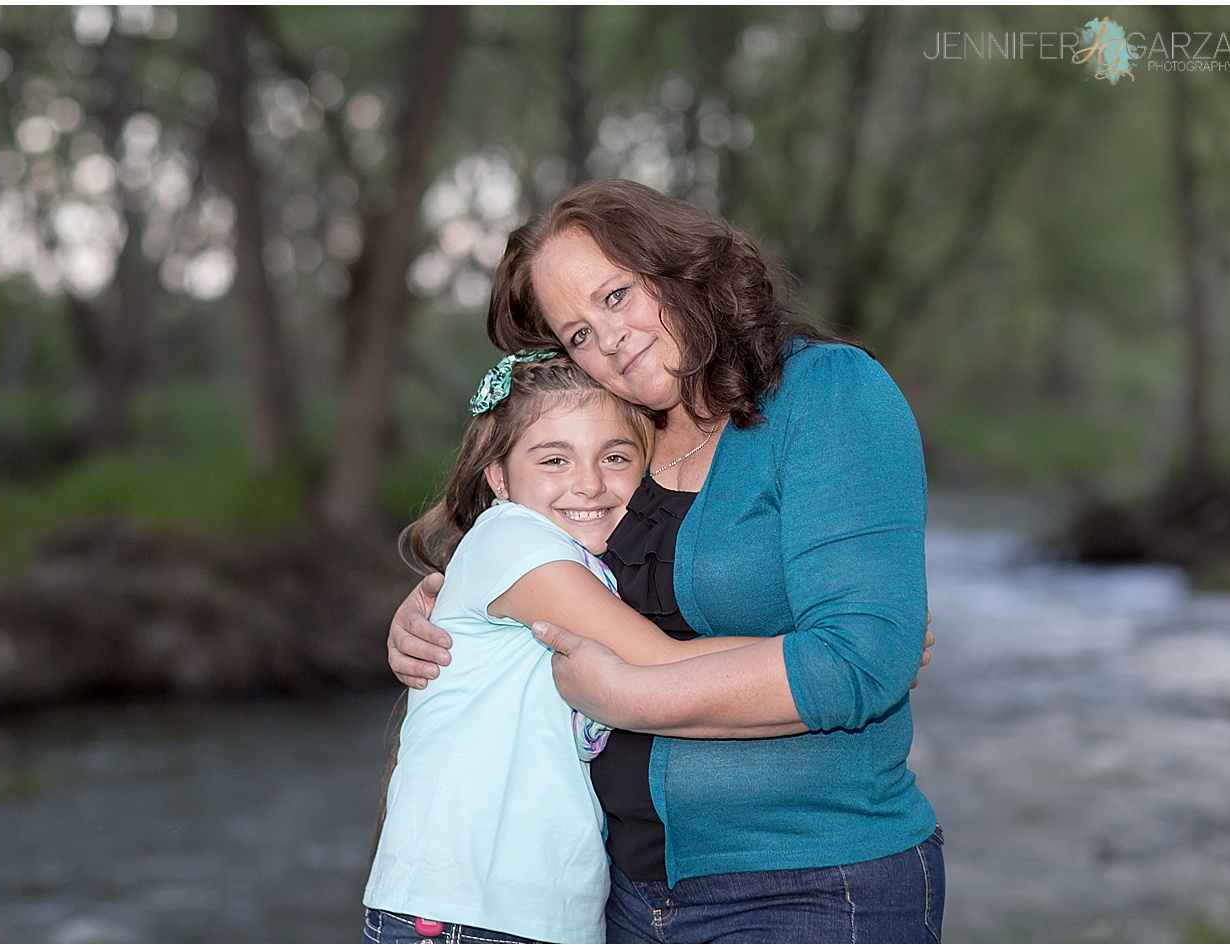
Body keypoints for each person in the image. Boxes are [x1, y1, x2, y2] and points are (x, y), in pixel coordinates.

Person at [388, 178, 941, 943]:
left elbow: (859, 659)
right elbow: (531, 561)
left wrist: (628, 694)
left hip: (806, 883)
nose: (606, 339)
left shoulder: (829, 394)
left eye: (615, 296)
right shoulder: (622, 443)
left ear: (680, 264)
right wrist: (431, 611)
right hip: (618, 898)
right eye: (577, 332)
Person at [363, 353, 761, 944]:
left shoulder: (593, 563)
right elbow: (662, 664)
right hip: (466, 914)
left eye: (616, 457)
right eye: (554, 459)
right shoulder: (514, 541)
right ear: (499, 478)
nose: (589, 482)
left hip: (543, 917)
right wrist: (844, 644)